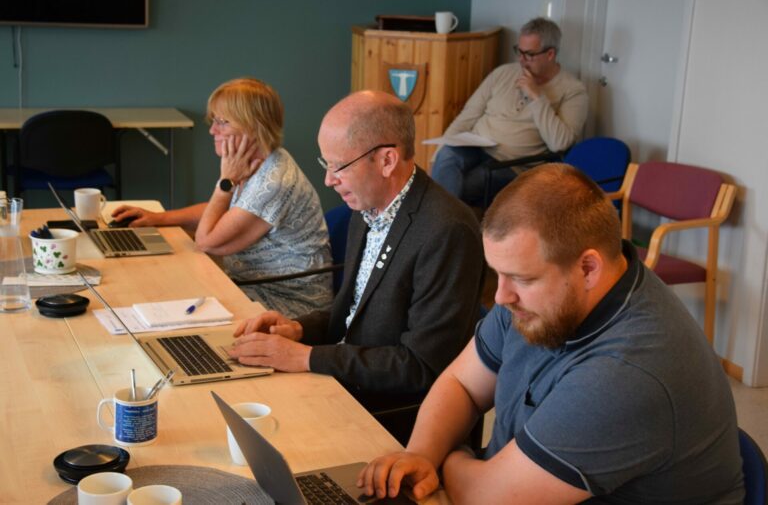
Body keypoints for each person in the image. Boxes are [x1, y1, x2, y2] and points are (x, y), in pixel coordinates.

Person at [358, 164, 744, 504]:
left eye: (522, 279)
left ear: (588, 268)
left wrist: (449, 457)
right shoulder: (541, 298)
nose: (501, 297)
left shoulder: (625, 374)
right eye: (498, 273)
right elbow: (462, 383)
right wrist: (421, 454)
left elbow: (485, 498)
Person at [228, 90, 485, 442]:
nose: (329, 180)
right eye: (326, 165)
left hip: (397, 420)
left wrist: (307, 358)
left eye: (338, 166)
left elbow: (421, 367)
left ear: (387, 160)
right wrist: (299, 330)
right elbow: (356, 314)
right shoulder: (367, 206)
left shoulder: (447, 231)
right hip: (346, 385)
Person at [111, 78, 332, 318]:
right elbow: (227, 213)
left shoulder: (274, 182)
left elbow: (206, 242)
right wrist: (158, 218)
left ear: (254, 126)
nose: (212, 130)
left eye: (223, 122)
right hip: (251, 285)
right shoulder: (263, 161)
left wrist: (226, 182)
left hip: (286, 304)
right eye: (214, 120)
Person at [431, 17, 588, 206]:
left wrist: (537, 97)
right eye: (519, 51)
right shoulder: (503, 73)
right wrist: (437, 155)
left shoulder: (573, 91)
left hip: (513, 164)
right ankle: (438, 222)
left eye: (529, 54)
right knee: (445, 158)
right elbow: (468, 115)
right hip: (474, 146)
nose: (521, 60)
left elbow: (560, 144)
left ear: (550, 54)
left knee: (461, 186)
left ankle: (437, 222)